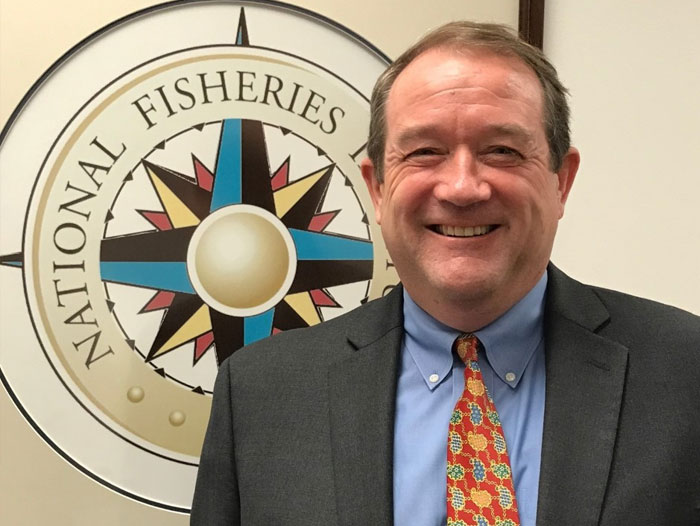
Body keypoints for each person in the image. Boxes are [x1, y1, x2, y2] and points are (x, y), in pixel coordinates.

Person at [191, 21, 700, 526]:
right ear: (377, 188)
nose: (461, 187)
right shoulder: (260, 392)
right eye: (424, 152)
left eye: (502, 151)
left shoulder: (685, 373)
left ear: (561, 182)